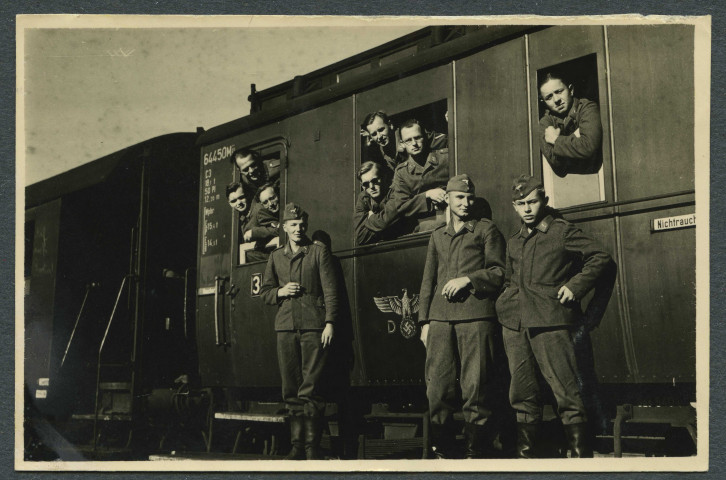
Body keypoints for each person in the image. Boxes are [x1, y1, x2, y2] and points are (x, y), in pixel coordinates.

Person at [495, 175, 614, 458]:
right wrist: (505, 302)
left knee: (566, 391)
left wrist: (575, 286)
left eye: (532, 202)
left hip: (551, 321)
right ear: (514, 206)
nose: (527, 209)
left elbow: (601, 257)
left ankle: (579, 457)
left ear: (544, 201)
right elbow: (511, 279)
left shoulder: (561, 231)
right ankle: (526, 457)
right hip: (516, 324)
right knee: (522, 394)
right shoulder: (514, 241)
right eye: (521, 204)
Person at [418, 174, 507, 459]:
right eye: (459, 197)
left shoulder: (485, 230)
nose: (466, 203)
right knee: (439, 388)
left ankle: (475, 453)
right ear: (448, 199)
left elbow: (498, 272)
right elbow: (427, 281)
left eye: (469, 198)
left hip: (476, 317)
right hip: (441, 321)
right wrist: (424, 322)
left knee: (476, 387)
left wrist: (468, 279)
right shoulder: (437, 236)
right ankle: (442, 449)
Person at [259, 203, 339, 460]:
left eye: (301, 224)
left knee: (311, 390)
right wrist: (281, 292)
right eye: (292, 225)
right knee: (291, 390)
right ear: (284, 227)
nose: (298, 228)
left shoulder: (318, 252)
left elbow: (331, 291)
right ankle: (296, 447)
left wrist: (330, 323)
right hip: (285, 327)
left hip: (314, 327)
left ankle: (311, 449)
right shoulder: (274, 257)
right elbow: (266, 293)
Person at [538, 71, 603, 177]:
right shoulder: (546, 123)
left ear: (571, 90)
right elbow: (558, 165)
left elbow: (588, 147)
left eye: (559, 91)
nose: (556, 100)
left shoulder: (587, 108)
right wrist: (576, 137)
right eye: (549, 97)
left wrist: (556, 140)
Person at [389, 119, 450, 232]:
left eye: (417, 138)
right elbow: (401, 207)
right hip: (424, 228)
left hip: (451, 219)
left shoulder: (444, 158)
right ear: (402, 143)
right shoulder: (402, 172)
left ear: (425, 137)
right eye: (408, 140)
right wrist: (427, 195)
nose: (414, 144)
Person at [242, 183, 280, 262]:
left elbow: (283, 229)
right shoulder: (261, 211)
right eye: (265, 202)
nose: (270, 204)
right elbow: (247, 234)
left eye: (272, 198)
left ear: (278, 195)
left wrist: (257, 232)